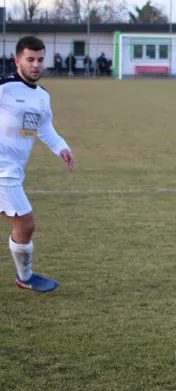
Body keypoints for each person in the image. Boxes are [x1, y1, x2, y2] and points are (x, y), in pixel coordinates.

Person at [0, 36, 75, 292]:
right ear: (17, 60)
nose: (36, 65)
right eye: (30, 59)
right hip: (2, 170)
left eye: (40, 59)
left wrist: (61, 147)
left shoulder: (42, 96)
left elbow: (43, 126)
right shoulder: (4, 87)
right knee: (25, 222)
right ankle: (25, 276)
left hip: (14, 171)